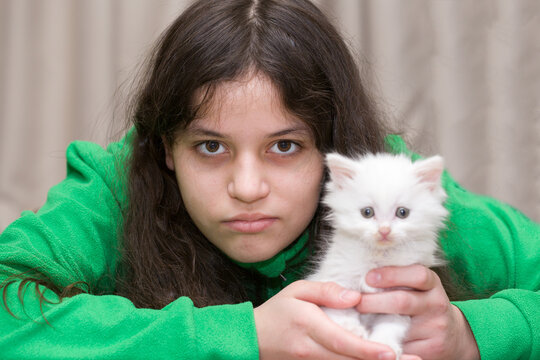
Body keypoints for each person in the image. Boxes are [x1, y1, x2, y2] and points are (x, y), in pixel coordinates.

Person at [0, 0, 538, 359]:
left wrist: (472, 334)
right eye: (211, 147)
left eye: (284, 146)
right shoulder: (118, 184)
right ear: (165, 149)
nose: (248, 187)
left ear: (333, 146)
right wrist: (245, 337)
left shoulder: (385, 192)